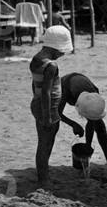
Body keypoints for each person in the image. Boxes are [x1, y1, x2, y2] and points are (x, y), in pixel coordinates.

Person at [29, 26, 74, 188]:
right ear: (55, 48)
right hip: (47, 108)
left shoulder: (36, 59)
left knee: (44, 141)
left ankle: (44, 175)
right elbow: (46, 92)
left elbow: (36, 85)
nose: (62, 54)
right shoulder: (51, 66)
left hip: (38, 104)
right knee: (45, 143)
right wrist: (47, 116)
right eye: (61, 51)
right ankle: (43, 179)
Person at [58, 73, 107, 171]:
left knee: (100, 127)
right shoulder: (64, 91)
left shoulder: (95, 96)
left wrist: (88, 145)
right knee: (52, 126)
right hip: (66, 83)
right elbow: (56, 113)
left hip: (81, 85)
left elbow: (92, 122)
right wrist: (73, 124)